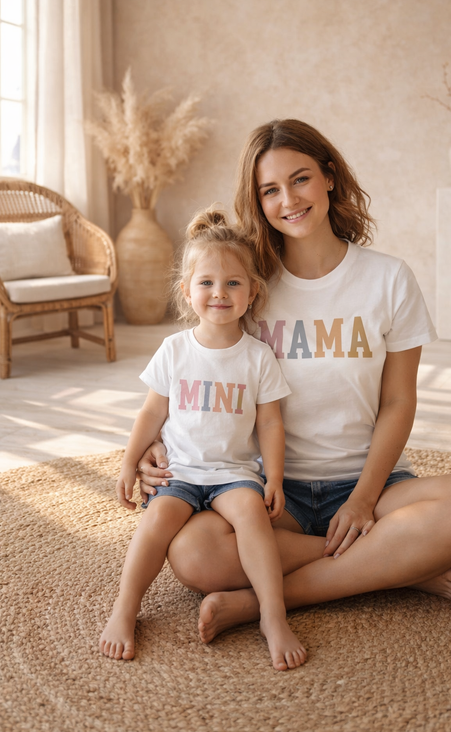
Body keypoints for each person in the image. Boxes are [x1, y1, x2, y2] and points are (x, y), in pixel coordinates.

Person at [137, 119, 451, 646]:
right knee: (193, 554)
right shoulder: (247, 283)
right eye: (269, 190)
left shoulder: (389, 279)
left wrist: (362, 498)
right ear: (257, 200)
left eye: (300, 178)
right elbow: (195, 367)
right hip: (269, 496)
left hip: (373, 489)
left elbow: (400, 401)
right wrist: (155, 438)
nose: (288, 199)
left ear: (329, 177)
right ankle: (394, 564)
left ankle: (268, 600)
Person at [100, 208, 307, 670]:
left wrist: (273, 478)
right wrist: (128, 463)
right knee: (154, 526)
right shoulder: (174, 350)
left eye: (234, 283)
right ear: (187, 291)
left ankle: (272, 616)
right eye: (207, 282)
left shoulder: (258, 357)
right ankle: (125, 609)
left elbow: (271, 424)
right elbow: (152, 412)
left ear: (253, 291)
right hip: (180, 472)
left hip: (234, 475)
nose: (220, 293)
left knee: (253, 519)